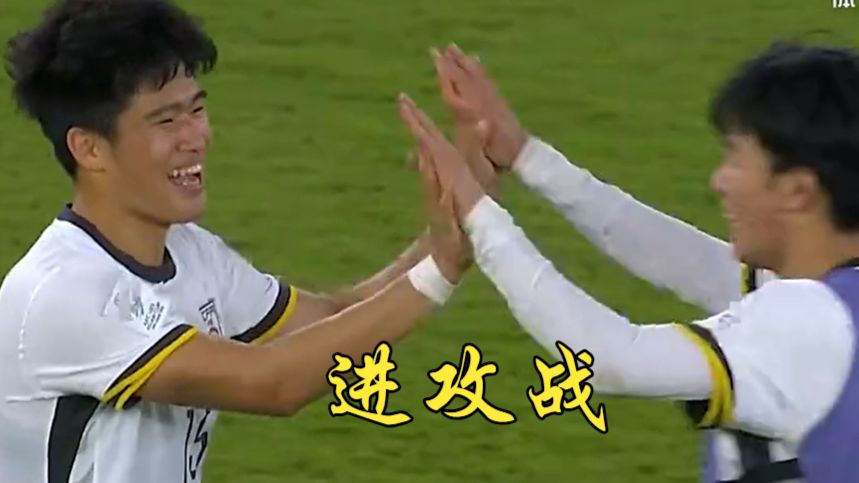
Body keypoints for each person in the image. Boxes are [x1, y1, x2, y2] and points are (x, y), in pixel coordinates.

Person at [0, 1, 468, 481]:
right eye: (166, 121)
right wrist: (441, 268)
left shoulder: (191, 252)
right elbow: (273, 383)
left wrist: (461, 216)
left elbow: (332, 319)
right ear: (90, 148)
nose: (197, 137)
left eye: (197, 110)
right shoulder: (63, 295)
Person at [399, 41, 859, 482]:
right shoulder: (834, 299)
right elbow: (684, 261)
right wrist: (525, 155)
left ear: (797, 191)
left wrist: (478, 215)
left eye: (736, 158)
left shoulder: (811, 321)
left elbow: (608, 358)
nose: (719, 181)